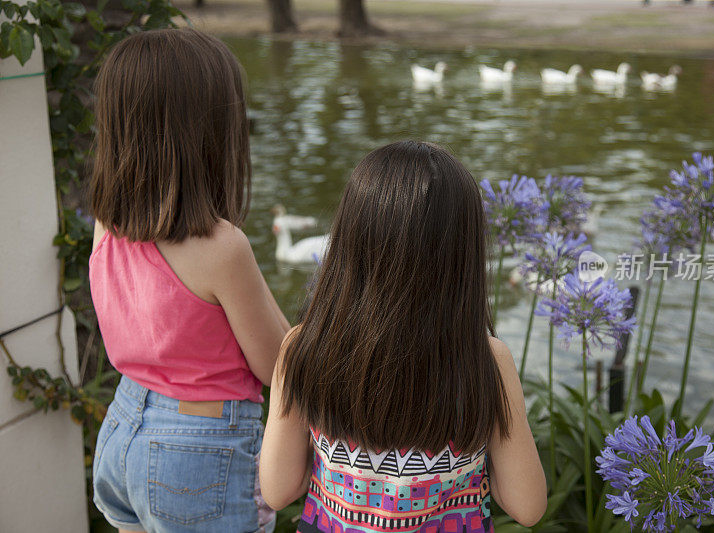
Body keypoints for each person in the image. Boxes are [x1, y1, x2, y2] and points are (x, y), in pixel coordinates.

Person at [259, 141, 548, 532]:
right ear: (463, 254)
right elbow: (527, 506)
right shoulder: (486, 359)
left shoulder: (303, 348)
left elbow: (277, 490)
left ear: (348, 241)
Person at [88, 28, 289, 533]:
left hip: (122, 428)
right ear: (209, 134)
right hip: (197, 454)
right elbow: (276, 363)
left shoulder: (107, 225)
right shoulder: (221, 247)